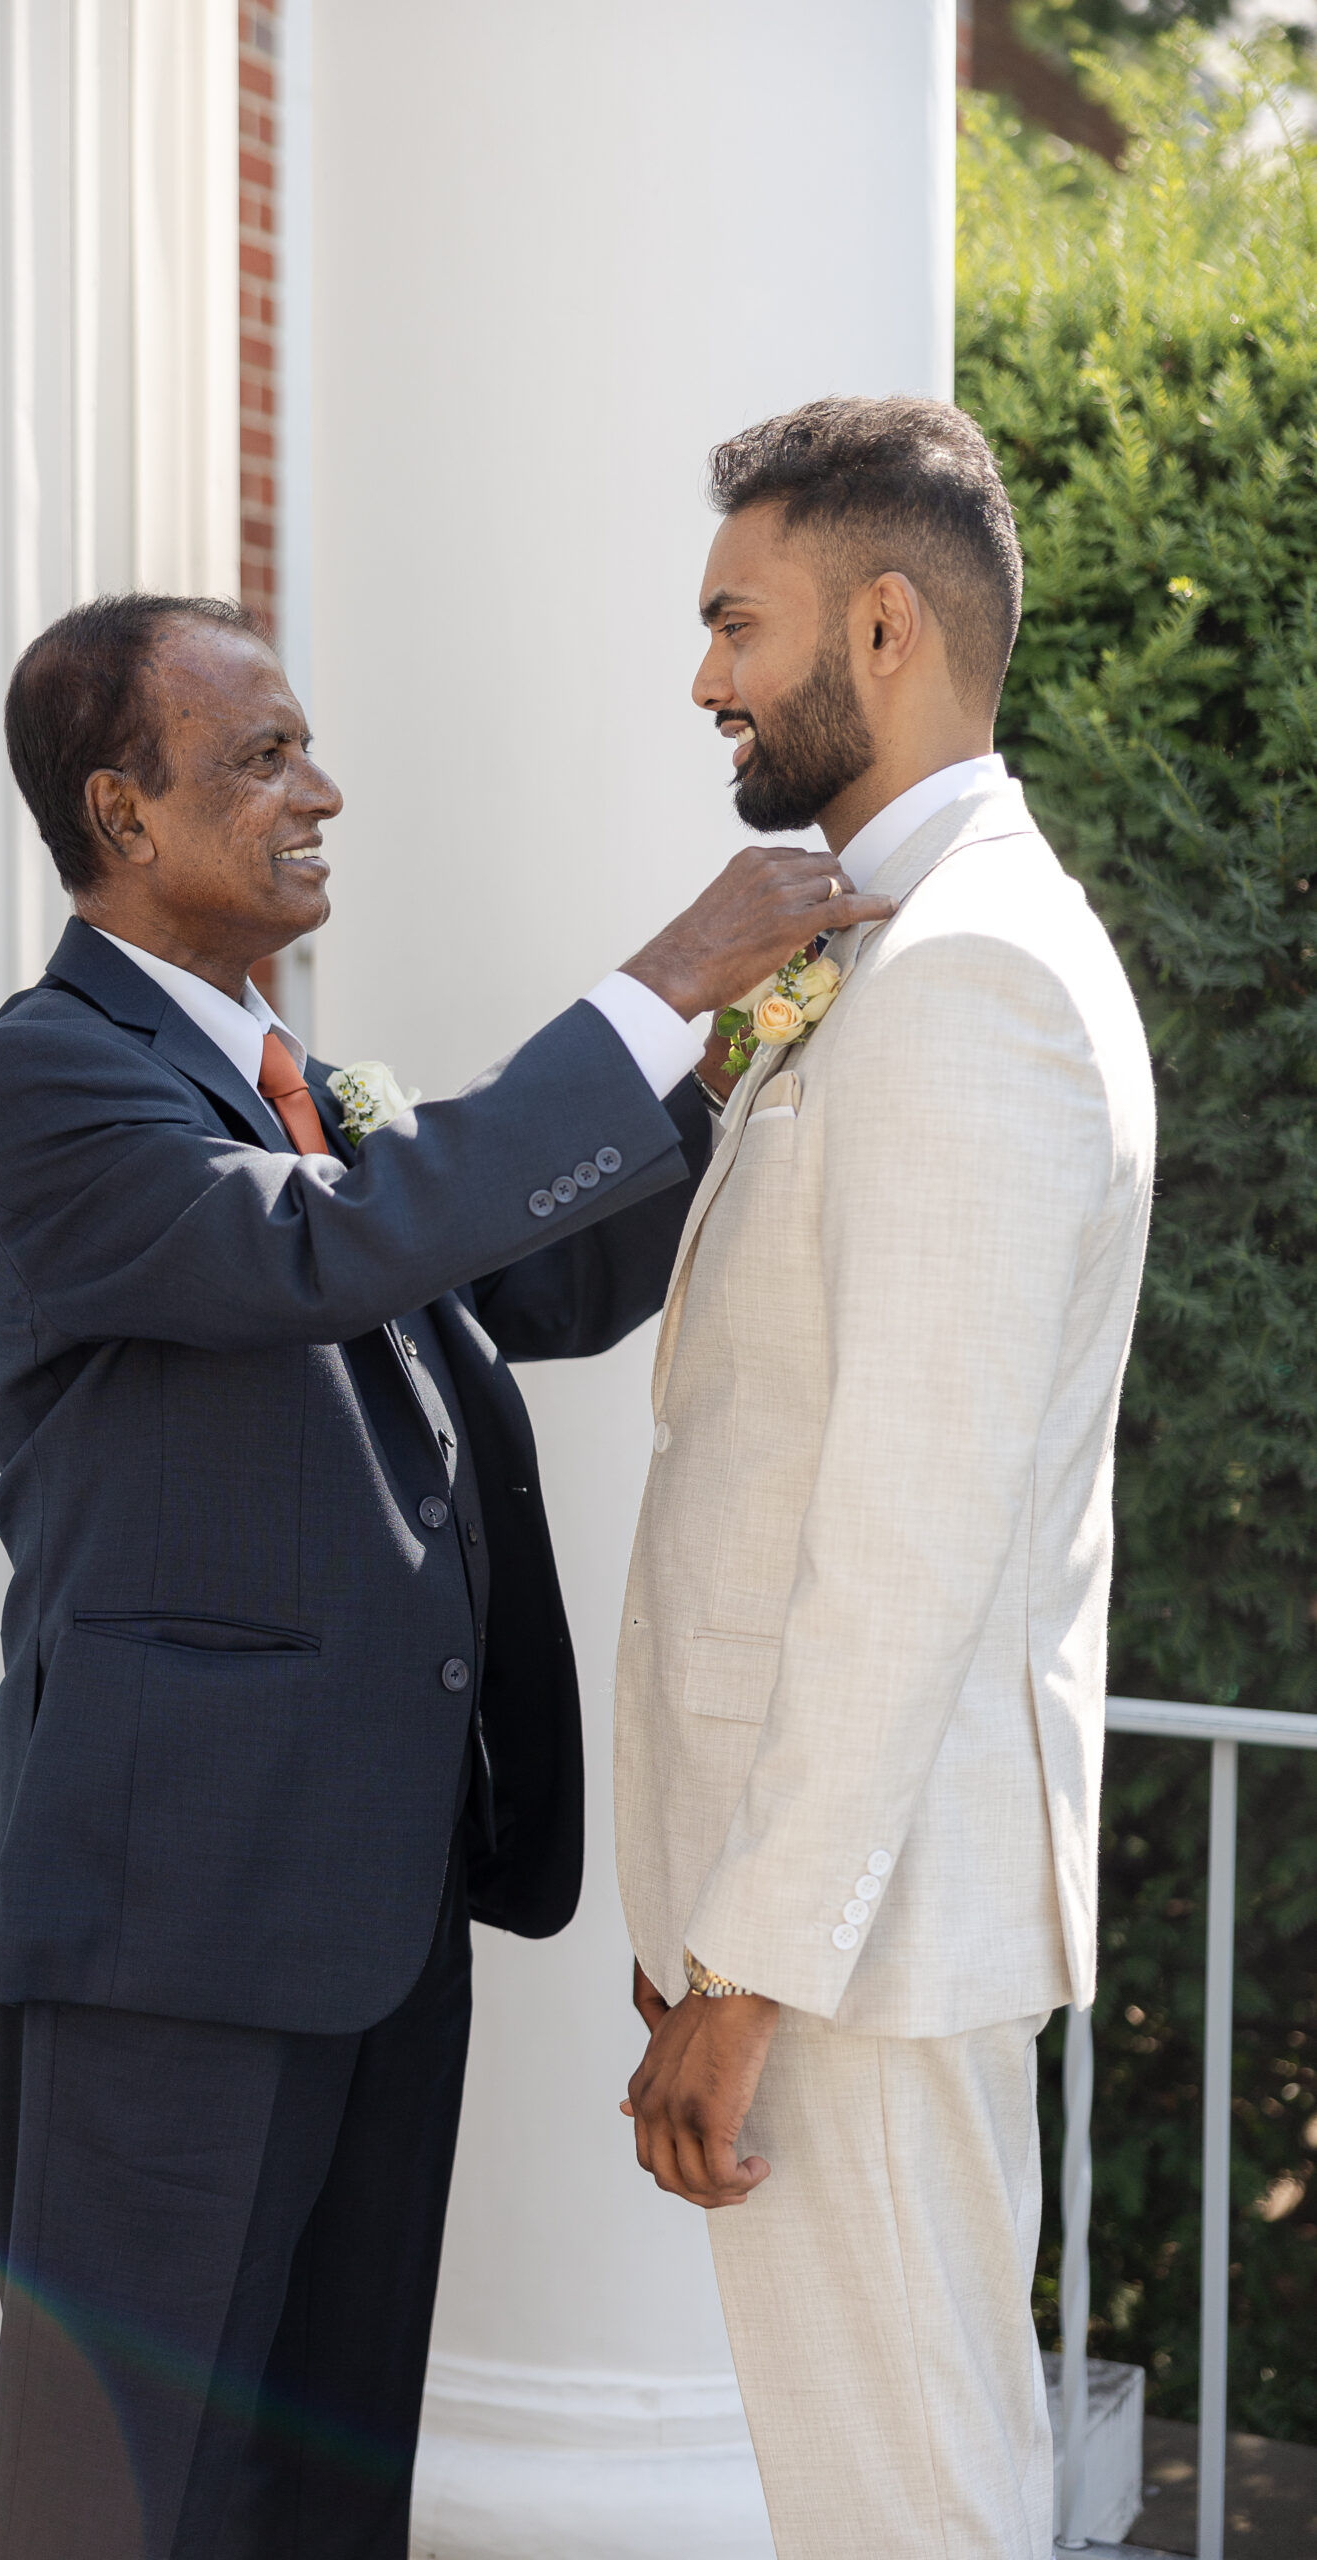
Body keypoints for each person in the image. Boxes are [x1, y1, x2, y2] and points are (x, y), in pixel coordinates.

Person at [0, 591, 890, 2560]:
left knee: (323, 2484)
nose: (323, 792)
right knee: (115, 2501)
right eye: (266, 755)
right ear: (120, 807)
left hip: (376, 1918)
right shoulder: (47, 1079)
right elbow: (334, 1248)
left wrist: (738, 1046)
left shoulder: (305, 1090)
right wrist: (656, 975)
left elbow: (531, 1270)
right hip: (173, 1942)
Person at [615, 397, 1156, 2559]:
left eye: (731, 621)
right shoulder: (880, 944)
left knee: (904, 2506)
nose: (705, 678)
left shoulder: (973, 977)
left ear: (878, 619)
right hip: (819, 1915)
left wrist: (747, 1967)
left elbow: (908, 1539)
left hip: (849, 1939)